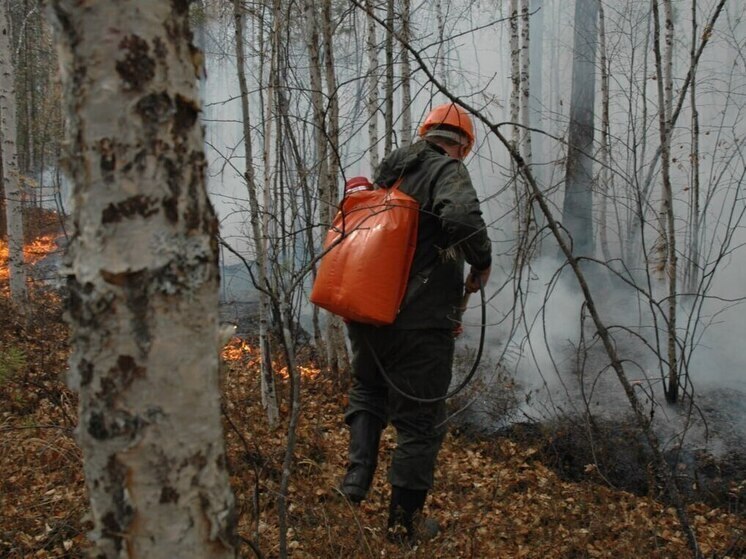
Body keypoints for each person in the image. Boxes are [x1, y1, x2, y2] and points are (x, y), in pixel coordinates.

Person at [340, 103, 492, 544]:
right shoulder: (447, 169)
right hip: (418, 324)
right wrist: (481, 262)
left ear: (426, 132)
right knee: (420, 422)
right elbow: (461, 218)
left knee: (368, 388)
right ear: (463, 146)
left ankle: (355, 480)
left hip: (368, 309)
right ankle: (402, 528)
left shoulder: (392, 171)